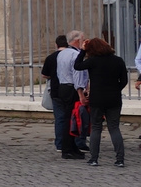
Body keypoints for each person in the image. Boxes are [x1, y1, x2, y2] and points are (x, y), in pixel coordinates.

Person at [75, 37, 127, 167]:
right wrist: (116, 89)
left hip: (97, 98)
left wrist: (82, 51)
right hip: (114, 98)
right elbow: (124, 80)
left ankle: (94, 158)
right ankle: (120, 159)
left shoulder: (93, 61)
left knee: (96, 127)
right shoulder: (118, 60)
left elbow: (77, 66)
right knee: (114, 127)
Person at [53, 30, 88, 159]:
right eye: (83, 40)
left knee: (68, 118)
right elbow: (77, 74)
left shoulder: (62, 54)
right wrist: (81, 92)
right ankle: (68, 148)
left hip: (63, 87)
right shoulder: (74, 54)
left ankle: (71, 146)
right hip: (71, 88)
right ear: (77, 41)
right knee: (72, 119)